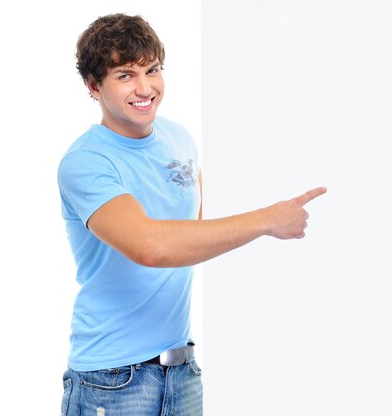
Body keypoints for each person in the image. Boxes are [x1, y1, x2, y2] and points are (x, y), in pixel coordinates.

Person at [57, 13, 326, 416]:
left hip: (182, 369)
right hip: (112, 379)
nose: (146, 88)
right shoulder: (85, 162)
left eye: (153, 70)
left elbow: (191, 237)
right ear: (94, 86)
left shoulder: (179, 138)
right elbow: (152, 247)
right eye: (125, 75)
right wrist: (267, 219)